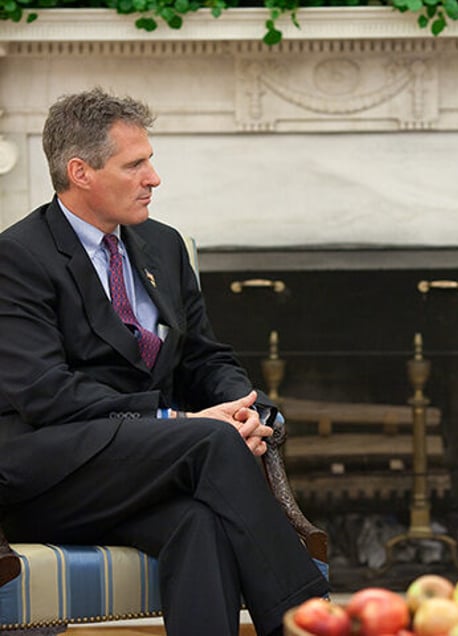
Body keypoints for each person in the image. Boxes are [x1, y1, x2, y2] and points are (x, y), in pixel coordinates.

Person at [0, 88, 329, 635]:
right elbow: (45, 394)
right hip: (48, 475)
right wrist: (176, 422)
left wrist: (250, 410)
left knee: (197, 523)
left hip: (151, 466)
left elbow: (204, 356)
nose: (154, 178)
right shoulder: (17, 258)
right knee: (210, 441)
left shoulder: (163, 245)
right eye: (135, 164)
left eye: (150, 161)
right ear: (80, 172)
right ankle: (308, 622)